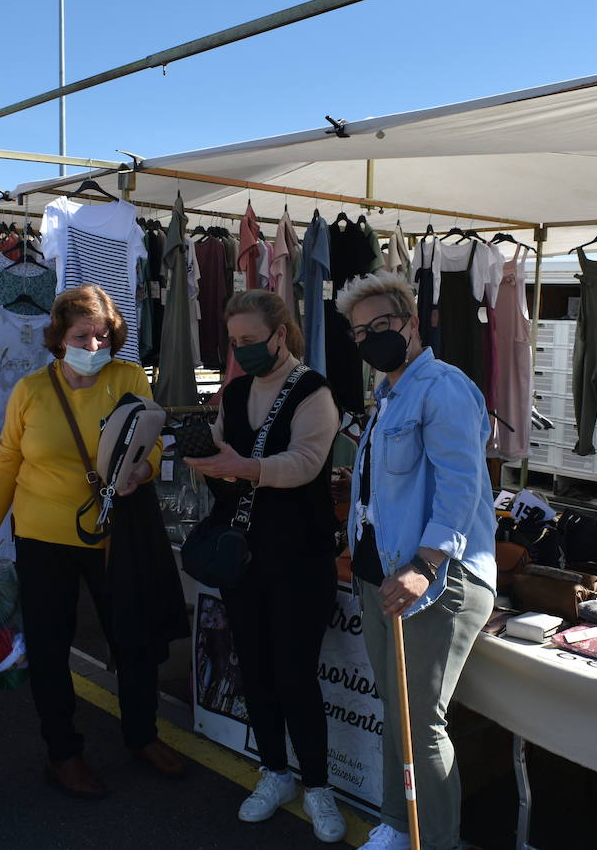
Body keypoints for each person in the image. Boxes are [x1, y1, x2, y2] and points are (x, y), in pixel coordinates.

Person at [0, 283, 186, 798]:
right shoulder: (31, 390)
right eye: (82, 336)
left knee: (133, 641)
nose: (92, 347)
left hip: (115, 535)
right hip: (42, 538)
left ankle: (141, 735)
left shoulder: (128, 377)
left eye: (102, 337)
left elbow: (151, 444)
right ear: (59, 337)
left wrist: (142, 472)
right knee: (48, 649)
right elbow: (6, 466)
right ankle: (63, 753)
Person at [335, 271, 497, 850]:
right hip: (386, 576)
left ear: (411, 323)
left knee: (420, 723)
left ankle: (437, 839)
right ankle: (398, 824)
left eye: (382, 324)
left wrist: (426, 564)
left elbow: (462, 486)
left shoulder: (443, 388)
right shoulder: (389, 396)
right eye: (360, 331)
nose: (372, 337)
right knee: (398, 714)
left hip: (436, 578)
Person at [185, 290, 346, 843]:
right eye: (235, 342)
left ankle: (318, 786)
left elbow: (304, 463)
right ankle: (274, 773)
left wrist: (241, 466)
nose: (242, 351)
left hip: (300, 558)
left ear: (282, 333)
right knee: (253, 666)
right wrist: (208, 462)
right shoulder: (233, 392)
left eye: (251, 340)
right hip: (245, 559)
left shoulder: (314, 392)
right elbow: (227, 463)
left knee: (295, 674)